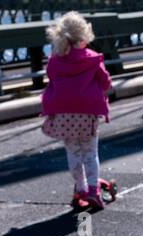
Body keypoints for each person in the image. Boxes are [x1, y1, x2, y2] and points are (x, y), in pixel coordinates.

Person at [40, 12, 113, 212]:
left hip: (63, 114)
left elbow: (52, 80)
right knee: (90, 152)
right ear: (83, 36)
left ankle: (80, 189)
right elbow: (105, 81)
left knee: (73, 152)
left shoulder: (55, 60)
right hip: (87, 114)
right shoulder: (92, 58)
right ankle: (93, 191)